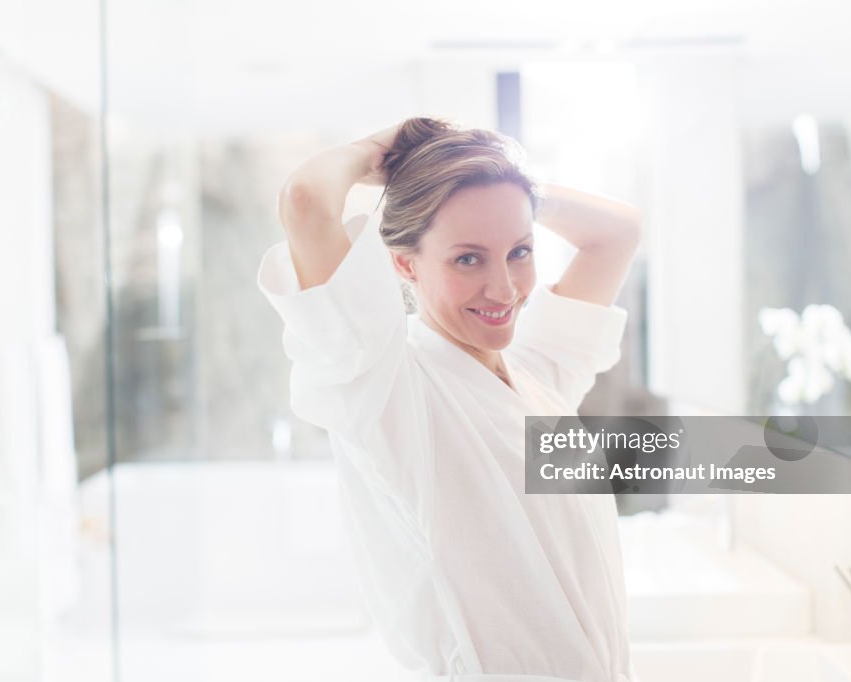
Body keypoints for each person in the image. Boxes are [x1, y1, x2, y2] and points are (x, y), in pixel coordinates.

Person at [258, 117, 642, 682]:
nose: (505, 288)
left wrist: (513, 185)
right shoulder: (389, 390)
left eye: (519, 250)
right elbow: (306, 200)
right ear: (404, 263)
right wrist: (377, 153)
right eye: (468, 258)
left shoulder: (536, 375)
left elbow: (618, 232)